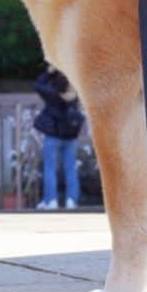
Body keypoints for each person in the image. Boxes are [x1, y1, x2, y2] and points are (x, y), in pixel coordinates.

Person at [34, 65, 84, 210]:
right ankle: (71, 200)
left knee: (50, 168)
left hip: (53, 135)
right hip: (70, 136)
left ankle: (51, 200)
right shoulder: (75, 95)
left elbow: (37, 85)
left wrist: (49, 72)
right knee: (71, 169)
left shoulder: (52, 94)